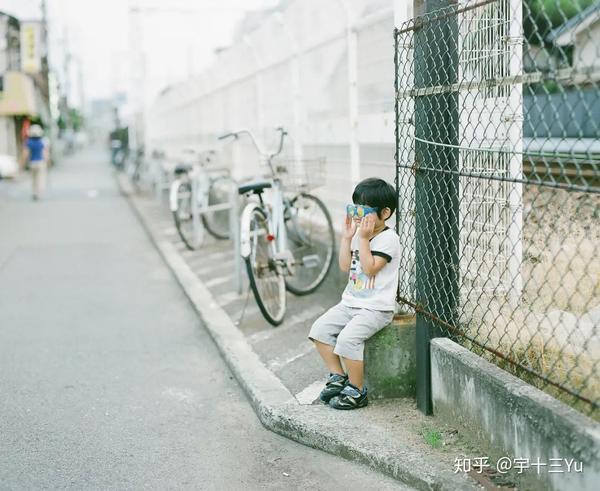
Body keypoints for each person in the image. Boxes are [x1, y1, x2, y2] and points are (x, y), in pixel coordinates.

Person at [308, 177, 400, 409]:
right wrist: (347, 237)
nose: (358, 215)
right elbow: (344, 266)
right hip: (351, 303)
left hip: (376, 308)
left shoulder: (389, 239)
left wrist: (363, 239)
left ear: (385, 213)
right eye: (355, 208)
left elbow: (369, 270)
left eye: (365, 210)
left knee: (348, 340)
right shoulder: (360, 236)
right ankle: (338, 377)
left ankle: (357, 390)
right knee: (319, 331)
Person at [21, 124, 49, 200]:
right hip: (40, 162)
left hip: (32, 163)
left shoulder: (28, 142)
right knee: (40, 178)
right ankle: (38, 193)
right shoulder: (42, 141)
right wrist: (47, 162)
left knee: (33, 179)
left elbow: (25, 154)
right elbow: (45, 153)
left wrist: (22, 164)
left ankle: (34, 193)